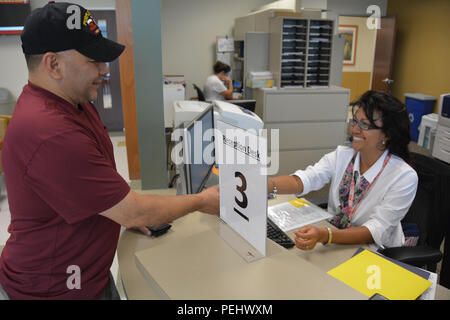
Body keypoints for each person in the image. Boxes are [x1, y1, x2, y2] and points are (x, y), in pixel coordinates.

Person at [0, 2, 219, 300]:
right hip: (58, 289)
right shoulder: (49, 131)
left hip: (88, 273)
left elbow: (103, 189)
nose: (105, 70)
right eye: (94, 60)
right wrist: (202, 200)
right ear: (54, 64)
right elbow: (131, 211)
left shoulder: (75, 103)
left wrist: (124, 210)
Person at [268, 91, 418, 251]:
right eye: (354, 122)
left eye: (364, 124)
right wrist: (265, 184)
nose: (355, 130)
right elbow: (305, 180)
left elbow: (375, 229)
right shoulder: (342, 155)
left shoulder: (403, 176)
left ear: (386, 134)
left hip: (375, 251)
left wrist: (326, 235)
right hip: (335, 239)